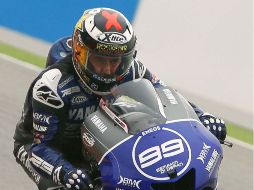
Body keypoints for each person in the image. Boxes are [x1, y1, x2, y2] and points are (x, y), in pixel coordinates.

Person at [13, 7, 227, 190]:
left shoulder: (133, 69)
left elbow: (168, 97)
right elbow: (39, 149)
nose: (108, 70)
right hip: (48, 149)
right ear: (80, 53)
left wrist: (202, 116)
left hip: (102, 144)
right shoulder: (53, 86)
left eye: (116, 61)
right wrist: (65, 172)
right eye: (99, 60)